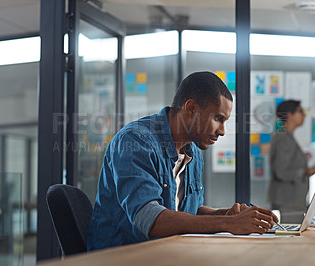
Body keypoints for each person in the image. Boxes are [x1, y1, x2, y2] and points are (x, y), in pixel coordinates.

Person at [87, 71, 278, 250]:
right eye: (218, 119)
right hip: (121, 257)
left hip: (167, 253)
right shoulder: (135, 141)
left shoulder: (192, 152)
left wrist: (225, 214)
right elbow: (151, 219)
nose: (222, 131)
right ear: (191, 108)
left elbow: (189, 211)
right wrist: (228, 224)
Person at [268, 100, 315, 223]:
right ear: (289, 115)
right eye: (300, 111)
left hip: (291, 200)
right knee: (290, 238)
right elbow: (281, 172)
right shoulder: (284, 138)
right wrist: (304, 172)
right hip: (288, 201)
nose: (304, 115)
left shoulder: (286, 136)